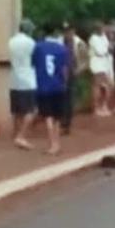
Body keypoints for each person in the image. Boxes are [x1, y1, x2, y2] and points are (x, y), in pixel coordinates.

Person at [32, 22, 70, 155]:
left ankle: (52, 144)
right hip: (58, 85)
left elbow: (34, 64)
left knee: (48, 116)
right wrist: (65, 82)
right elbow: (65, 69)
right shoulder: (62, 48)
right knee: (57, 117)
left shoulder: (38, 47)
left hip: (43, 85)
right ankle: (57, 143)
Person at [9, 18, 38, 150]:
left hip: (14, 78)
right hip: (28, 79)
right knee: (31, 110)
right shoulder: (31, 42)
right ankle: (21, 136)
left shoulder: (11, 41)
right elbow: (35, 58)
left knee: (17, 111)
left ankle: (17, 134)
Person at [60, 22, 86, 136]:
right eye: (65, 31)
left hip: (71, 73)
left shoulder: (79, 43)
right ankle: (61, 121)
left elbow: (85, 60)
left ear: (73, 31)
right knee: (60, 98)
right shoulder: (59, 42)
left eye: (69, 31)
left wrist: (78, 71)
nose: (67, 34)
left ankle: (66, 124)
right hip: (59, 73)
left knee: (69, 99)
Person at [88, 22, 113, 116]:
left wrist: (108, 48)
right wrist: (108, 49)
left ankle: (103, 106)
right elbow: (100, 51)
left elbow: (108, 47)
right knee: (97, 87)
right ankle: (96, 108)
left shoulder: (103, 37)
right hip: (97, 65)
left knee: (106, 87)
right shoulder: (93, 38)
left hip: (104, 65)